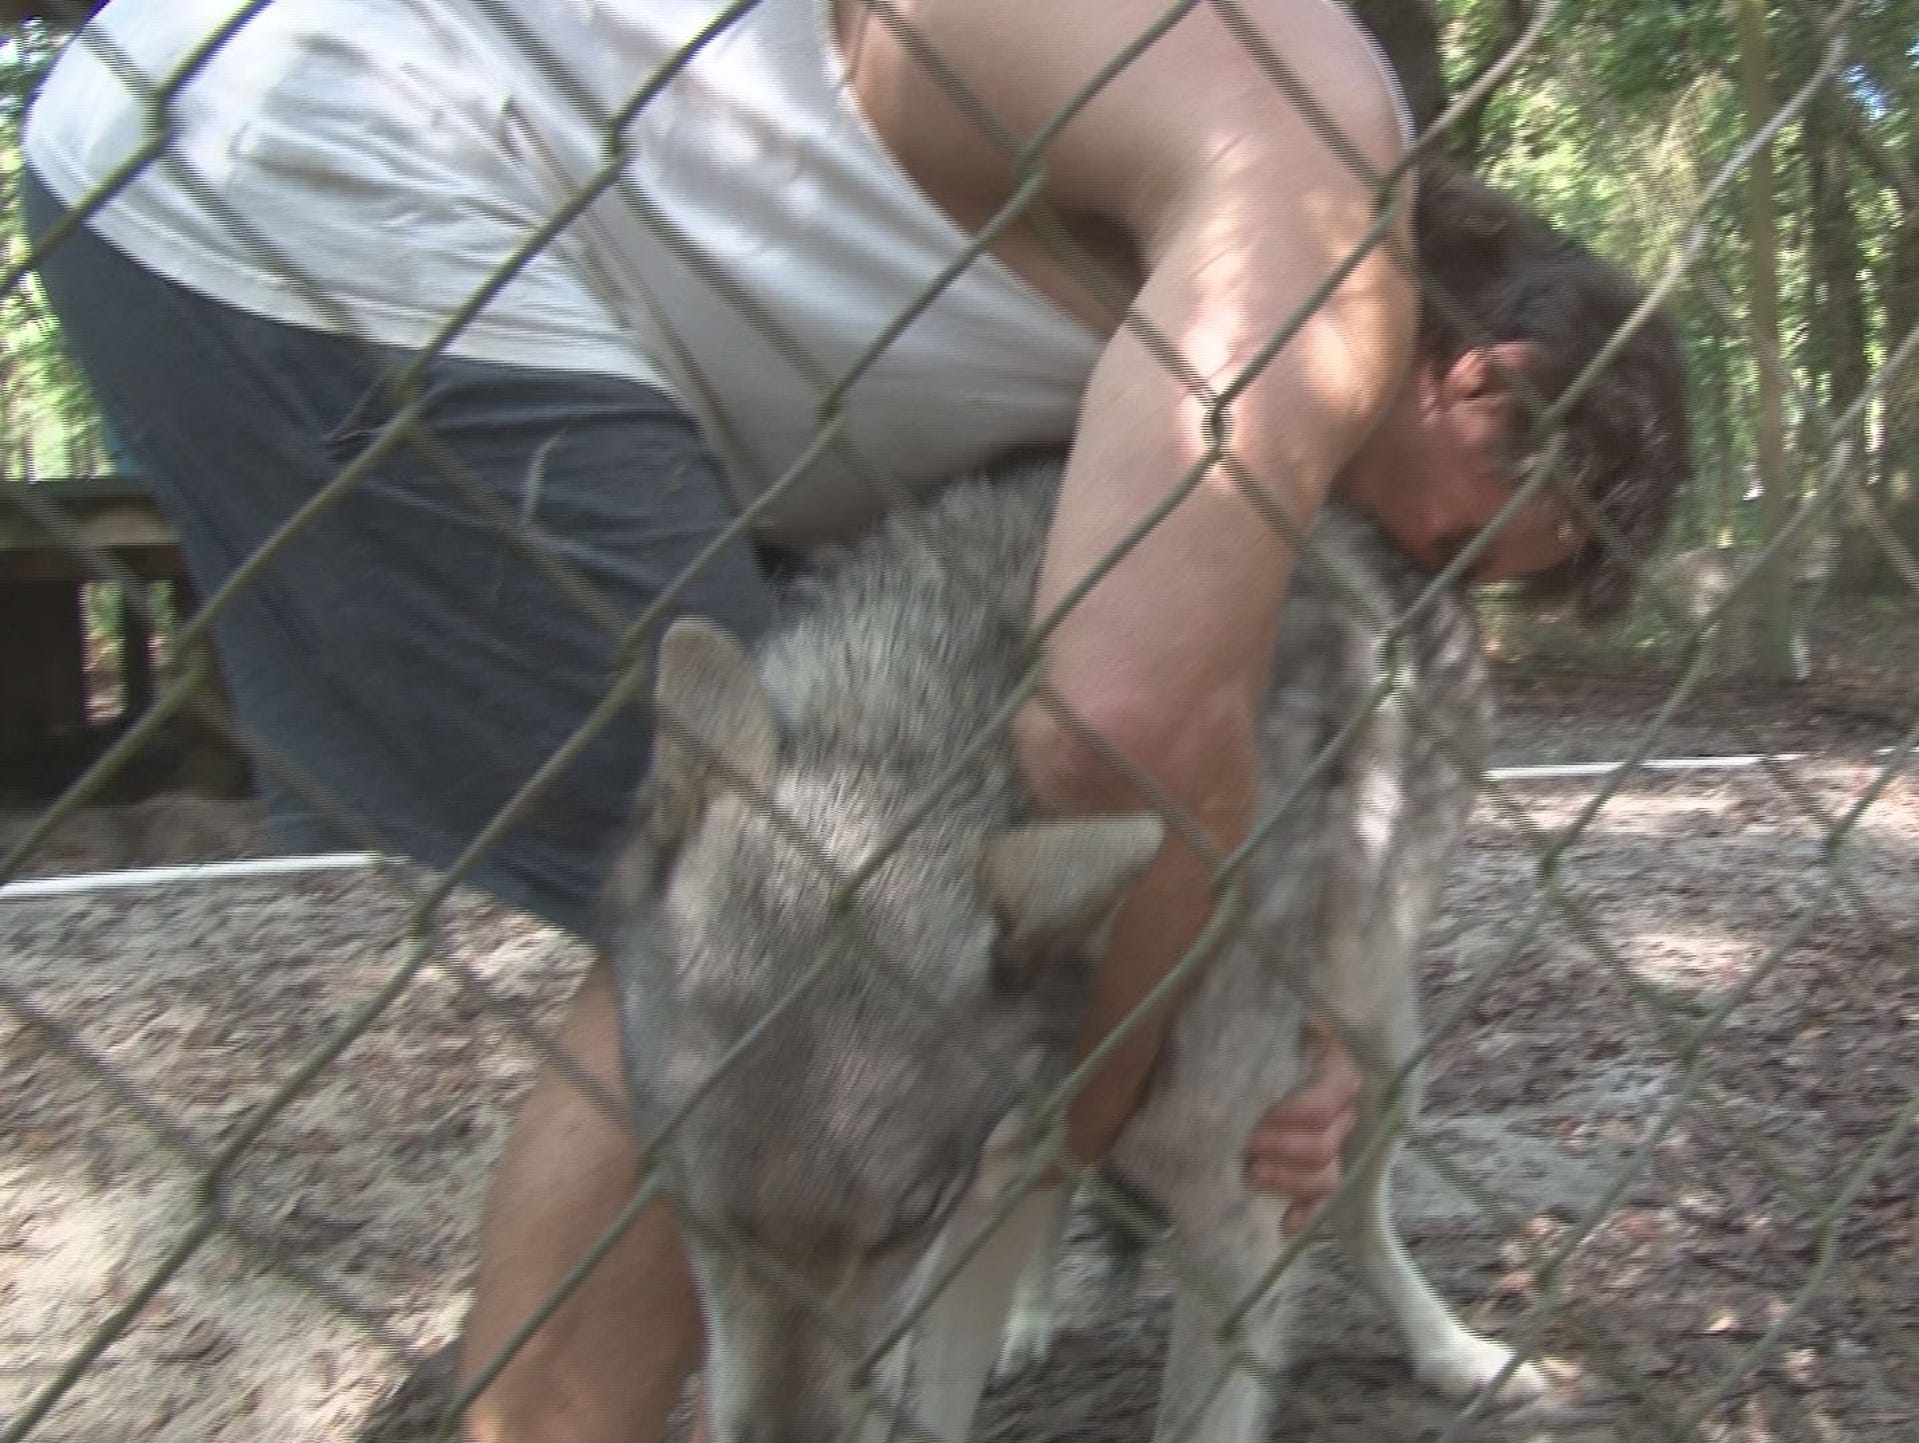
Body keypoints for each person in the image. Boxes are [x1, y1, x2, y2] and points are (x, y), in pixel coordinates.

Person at [20, 1, 1689, 1439]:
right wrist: (1105, 1130)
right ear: (1482, 383)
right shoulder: (1323, 219)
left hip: (278, 165)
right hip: (327, 159)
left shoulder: (1203, 254)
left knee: (785, 910)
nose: (1420, 570)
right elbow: (1118, 737)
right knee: (744, 924)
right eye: (1462, 536)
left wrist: (1276, 1040)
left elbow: (1119, 735)